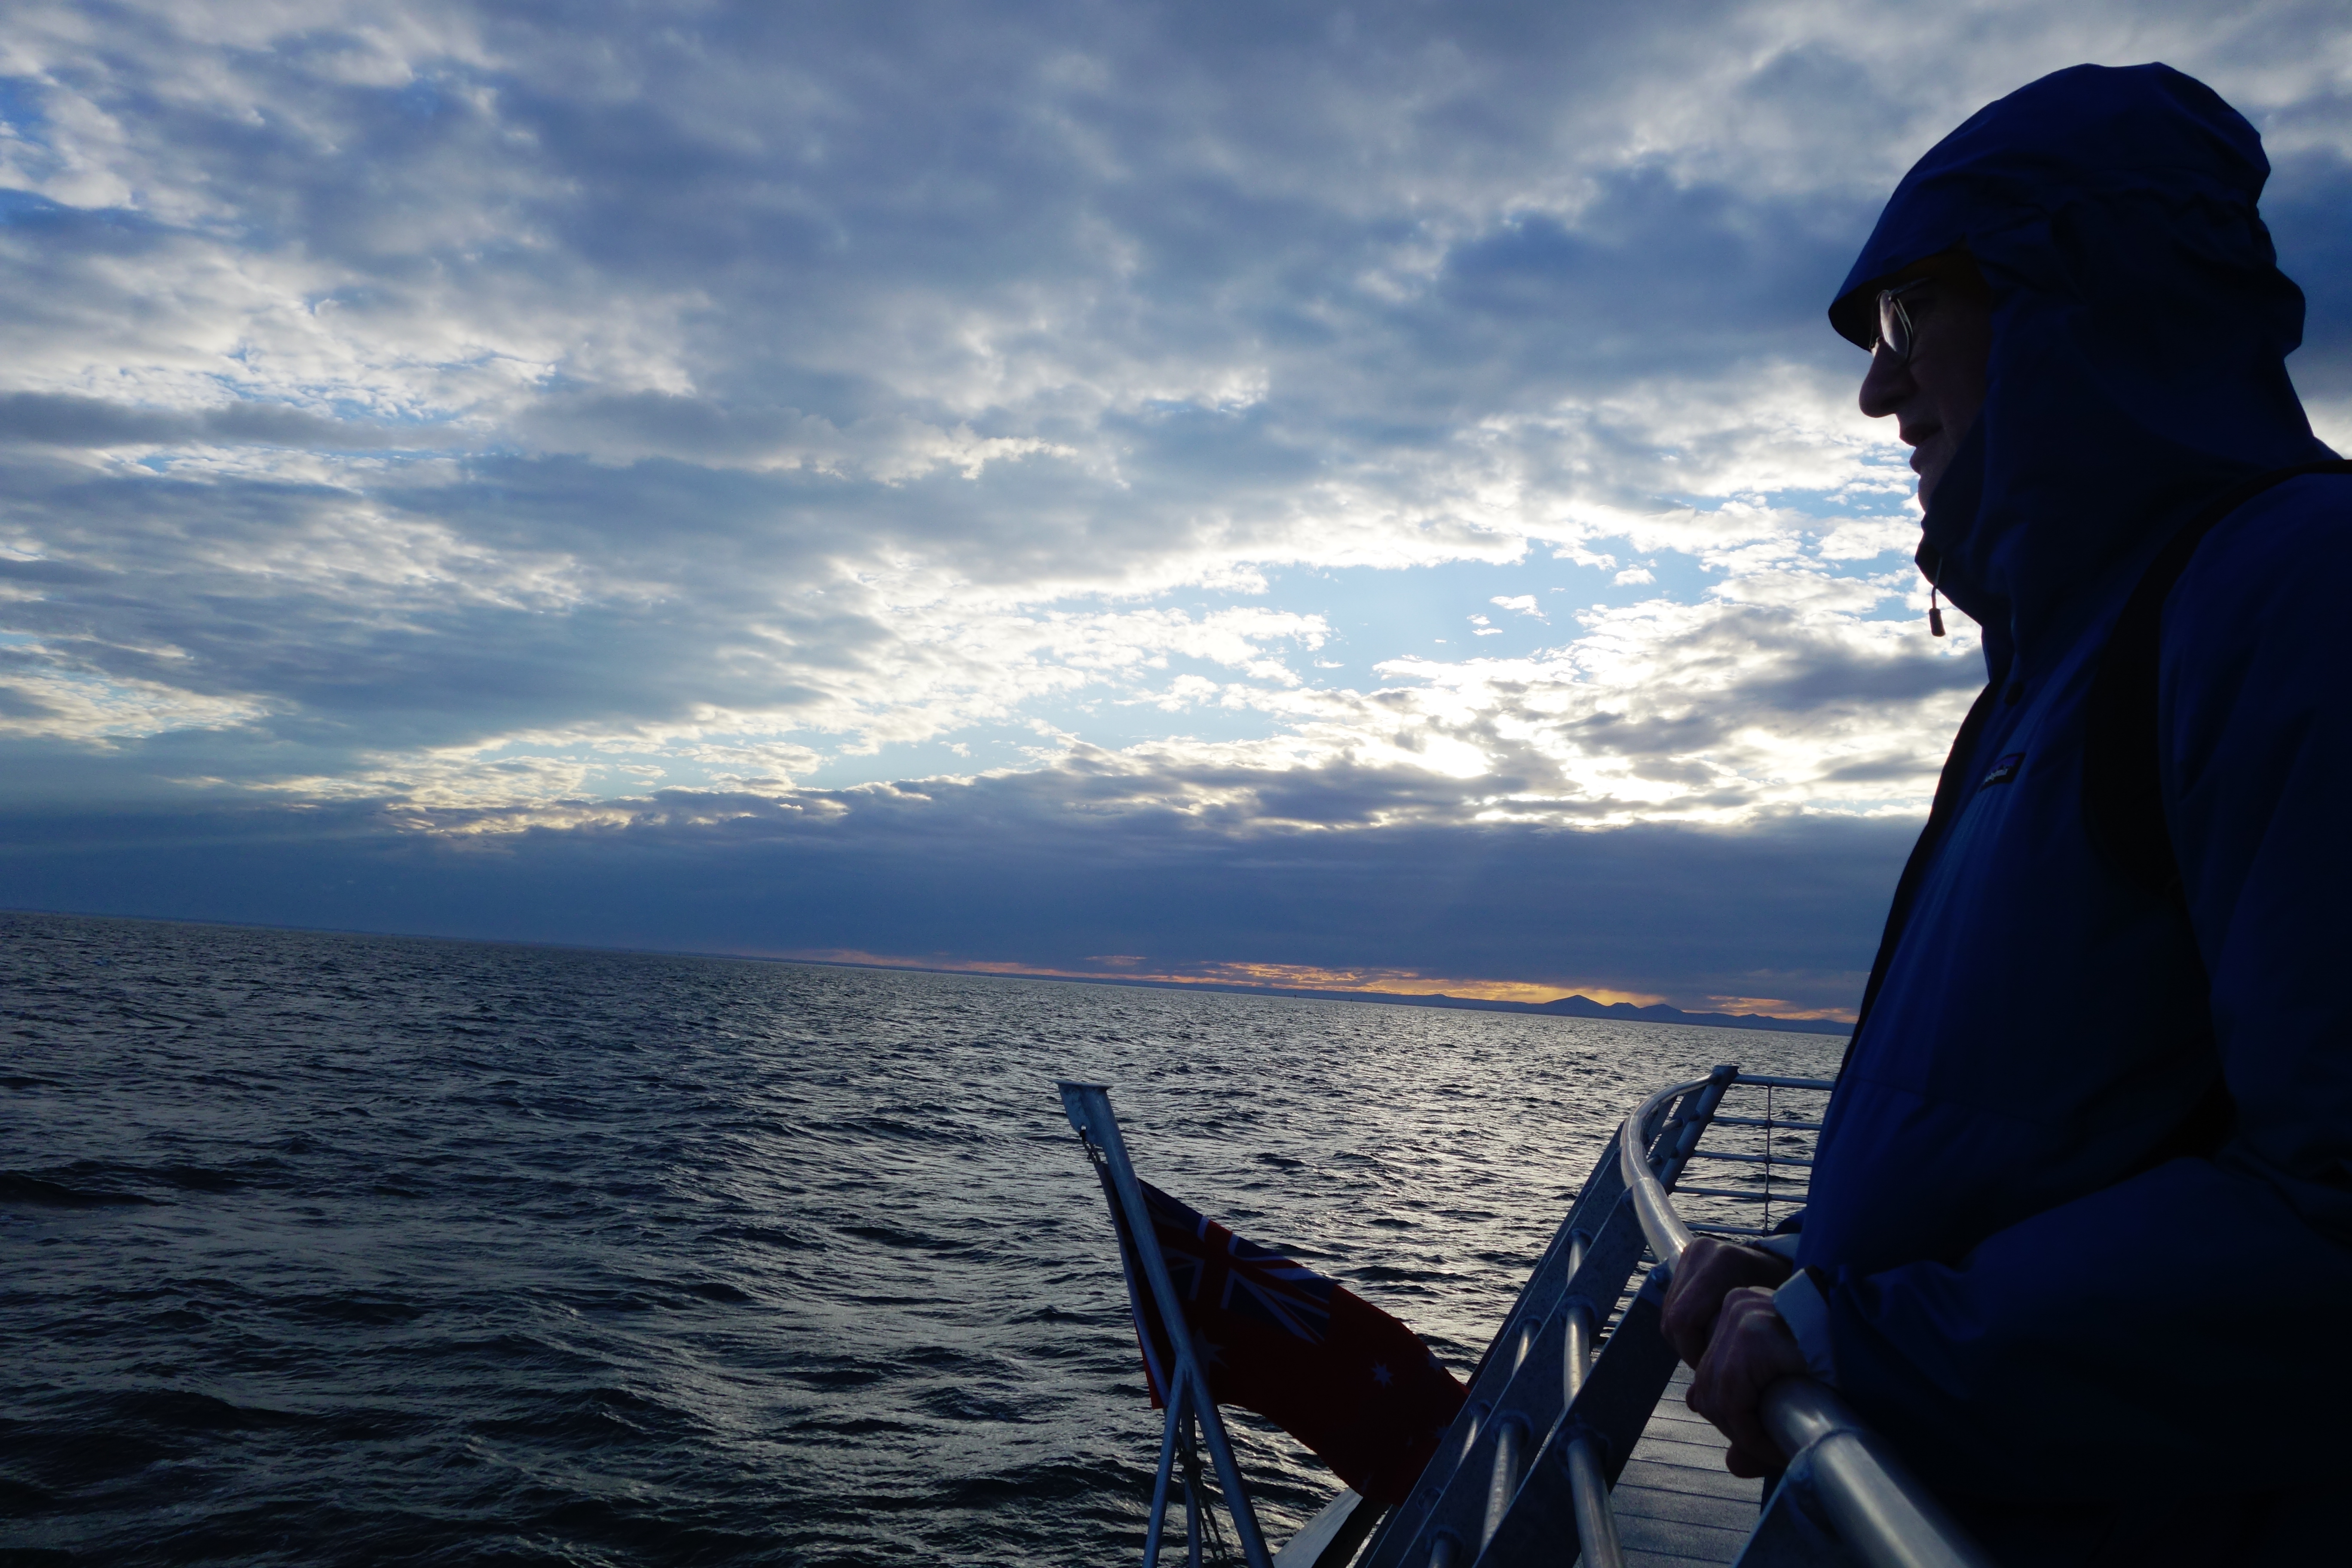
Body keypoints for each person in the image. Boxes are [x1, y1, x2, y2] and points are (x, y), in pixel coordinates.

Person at [1658, 63, 2351, 1565]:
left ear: (2071, 294)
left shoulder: (2300, 596)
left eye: (1907, 317)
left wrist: (1872, 1341)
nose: (1876, 390)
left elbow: (2335, 1211)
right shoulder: (2059, 672)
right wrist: (1822, 1274)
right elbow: (2083, 1129)